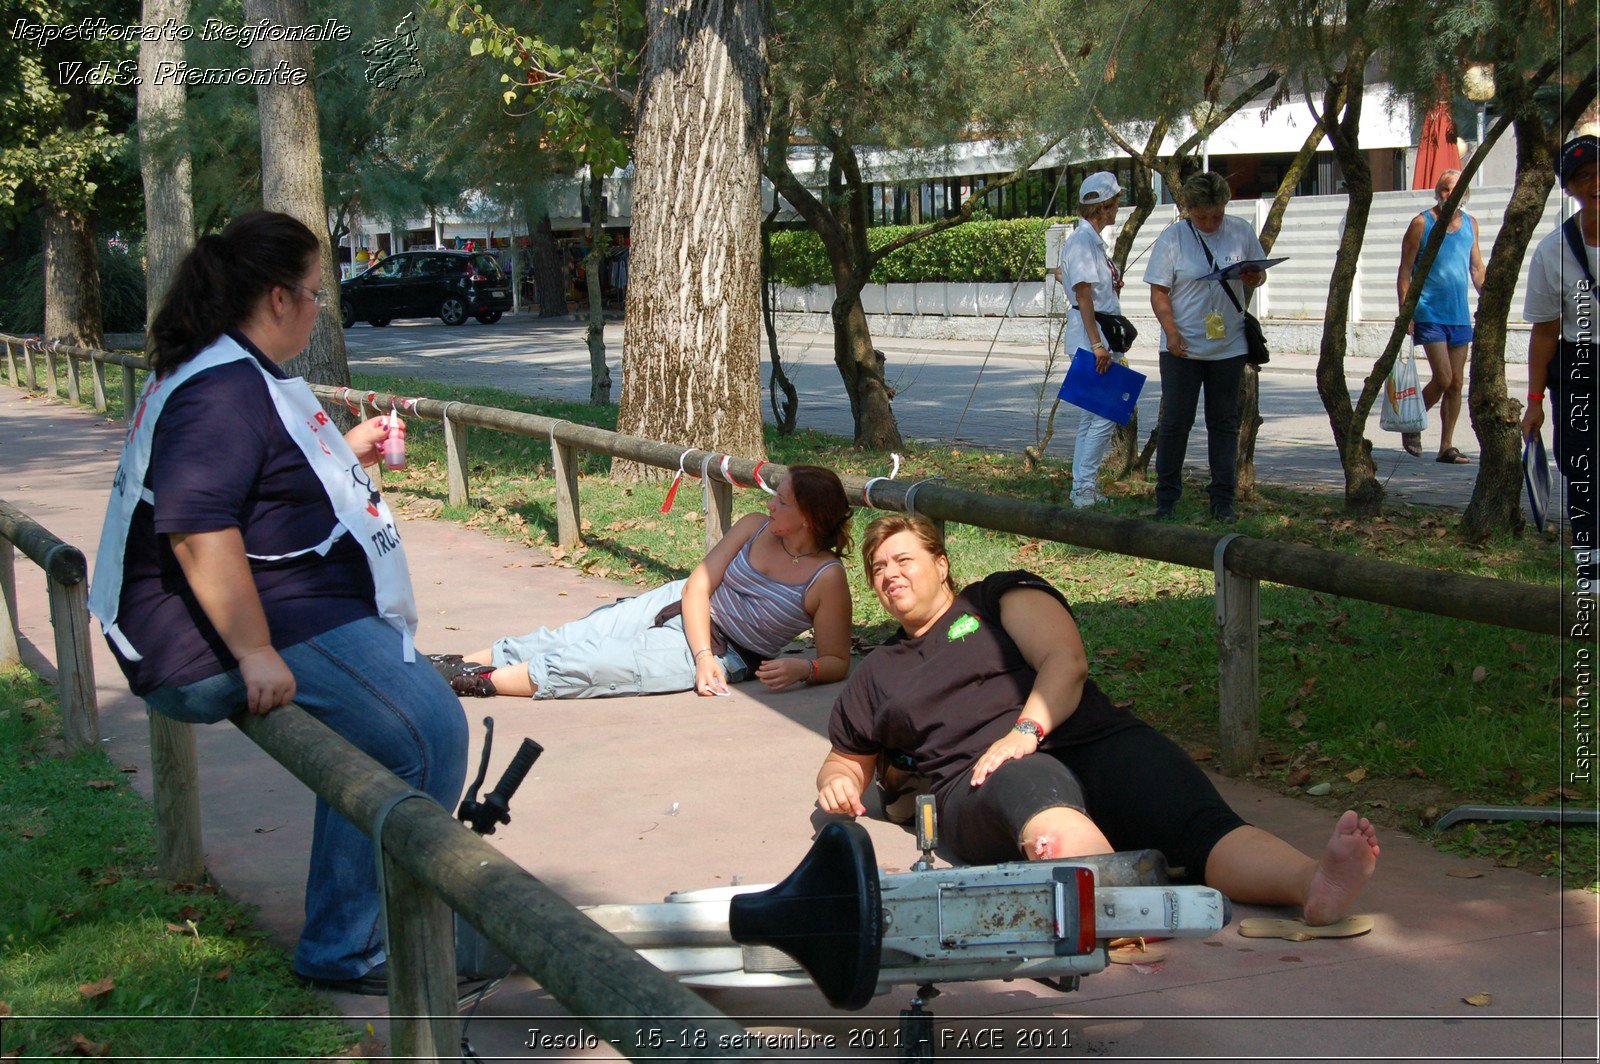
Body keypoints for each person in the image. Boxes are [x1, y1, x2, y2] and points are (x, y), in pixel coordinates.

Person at [88, 212, 468, 995]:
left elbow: (254, 478)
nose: (320, 307)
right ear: (276, 297)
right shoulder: (222, 390)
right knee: (423, 734)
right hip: (225, 635)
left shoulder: (228, 369)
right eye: (314, 293)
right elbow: (197, 527)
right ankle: (351, 946)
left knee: (405, 727)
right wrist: (254, 651)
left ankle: (355, 930)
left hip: (290, 599)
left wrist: (346, 452)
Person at [816, 514, 1380, 926]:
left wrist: (1026, 730)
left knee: (1193, 820)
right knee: (1037, 795)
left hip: (1084, 735)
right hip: (980, 777)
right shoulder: (879, 670)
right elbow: (846, 756)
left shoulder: (995, 598)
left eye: (903, 559)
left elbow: (1066, 662)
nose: (889, 573)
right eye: (877, 568)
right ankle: (1123, 913)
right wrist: (838, 780)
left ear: (941, 564)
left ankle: (1314, 883)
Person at [439, 466, 854, 698]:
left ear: (810, 518)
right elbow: (696, 586)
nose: (770, 504)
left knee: (595, 664)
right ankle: (451, 662)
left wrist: (805, 668)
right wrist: (702, 652)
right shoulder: (753, 526)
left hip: (731, 652)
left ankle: (477, 682)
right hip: (685, 607)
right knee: (574, 634)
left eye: (782, 501)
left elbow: (837, 662)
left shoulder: (826, 578)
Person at [1144, 171, 1268, 523]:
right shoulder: (1173, 238)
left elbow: (1259, 273)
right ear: (1188, 210)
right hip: (1182, 348)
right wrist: (1170, 332)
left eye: (1217, 215)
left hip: (1228, 346)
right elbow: (1158, 291)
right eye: (1203, 216)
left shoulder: (1241, 230)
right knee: (1175, 423)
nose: (1211, 222)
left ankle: (1223, 500)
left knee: (1224, 424)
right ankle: (1166, 499)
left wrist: (1253, 277)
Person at [1522, 134, 1599, 583]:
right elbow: (1545, 331)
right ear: (1569, 189)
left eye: (1599, 172)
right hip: (1579, 367)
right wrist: (1534, 400)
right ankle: (1590, 567)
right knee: (1583, 465)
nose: (1595, 184)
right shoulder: (1555, 251)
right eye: (1582, 177)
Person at [1396, 168, 1487, 463]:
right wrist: (1405, 311)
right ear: (1438, 192)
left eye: (1455, 189)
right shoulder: (1422, 223)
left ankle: (1446, 446)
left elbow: (1476, 268)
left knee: (1457, 383)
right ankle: (1412, 421)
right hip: (1429, 312)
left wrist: (1490, 297)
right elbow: (1405, 271)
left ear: (1465, 193)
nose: (1450, 194)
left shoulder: (1470, 224)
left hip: (1459, 315)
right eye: (1445, 189)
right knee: (1444, 378)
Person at [1053, 171, 1128, 508]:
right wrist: (1098, 345)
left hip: (1091, 331)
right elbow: (1083, 296)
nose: (1117, 208)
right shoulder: (1083, 241)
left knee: (1092, 415)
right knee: (1104, 415)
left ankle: (1082, 486)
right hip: (1090, 334)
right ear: (1100, 207)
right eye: (1113, 203)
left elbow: (1085, 288)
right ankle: (1083, 489)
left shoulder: (1089, 240)